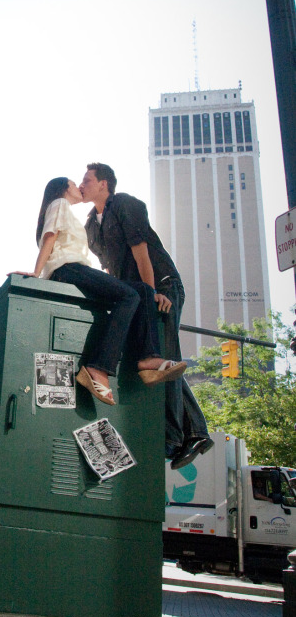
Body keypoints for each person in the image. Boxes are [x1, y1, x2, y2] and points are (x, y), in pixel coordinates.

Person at [80, 162, 213, 469]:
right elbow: (110, 269)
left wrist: (152, 294)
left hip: (160, 286)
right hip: (135, 293)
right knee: (160, 360)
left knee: (164, 356)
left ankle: (174, 436)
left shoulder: (125, 204)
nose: (82, 184)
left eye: (87, 180)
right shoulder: (90, 226)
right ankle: (196, 432)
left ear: (103, 184)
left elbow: (141, 253)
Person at [12, 177, 186, 405]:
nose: (79, 187)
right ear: (64, 189)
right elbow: (50, 237)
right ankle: (98, 367)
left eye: (84, 182)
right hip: (67, 269)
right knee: (129, 295)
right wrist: (37, 272)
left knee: (144, 291)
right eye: (75, 183)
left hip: (78, 269)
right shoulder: (59, 204)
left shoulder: (71, 213)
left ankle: (149, 359)